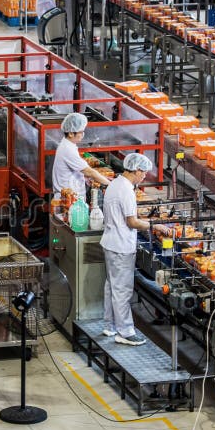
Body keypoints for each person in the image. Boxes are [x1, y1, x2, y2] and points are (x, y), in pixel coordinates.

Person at [100, 153, 154, 346]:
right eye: (144, 172)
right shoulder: (127, 190)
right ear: (136, 170)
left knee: (111, 286)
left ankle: (110, 325)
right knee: (122, 290)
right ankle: (125, 332)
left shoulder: (115, 184)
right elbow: (131, 222)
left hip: (110, 243)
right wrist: (153, 225)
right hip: (121, 246)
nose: (145, 176)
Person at [52, 113, 111, 199]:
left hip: (71, 197)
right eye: (81, 132)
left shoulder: (68, 145)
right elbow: (89, 172)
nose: (82, 135)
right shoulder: (68, 149)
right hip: (69, 200)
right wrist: (110, 184)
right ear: (71, 134)